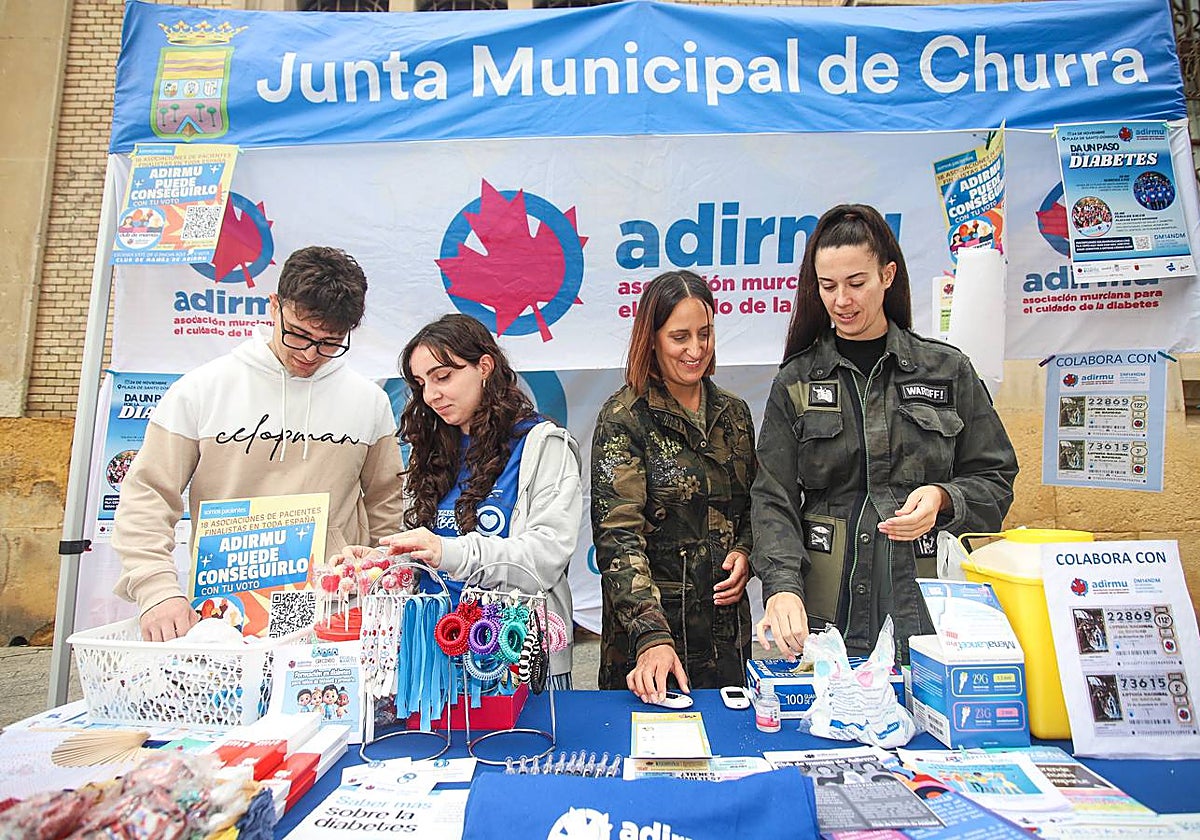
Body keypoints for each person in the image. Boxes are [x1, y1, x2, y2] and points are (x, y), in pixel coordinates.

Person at [750, 204, 1017, 662]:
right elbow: (772, 497)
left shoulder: (946, 371)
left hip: (926, 614)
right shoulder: (797, 381)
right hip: (825, 619)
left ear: (887, 276)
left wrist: (943, 498)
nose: (842, 301)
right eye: (828, 286)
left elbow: (996, 477)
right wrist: (781, 586)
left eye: (857, 283)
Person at [112, 246, 404, 642]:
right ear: (274, 306)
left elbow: (386, 504)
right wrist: (156, 590)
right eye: (298, 333)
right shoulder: (201, 390)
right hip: (227, 613)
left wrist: (381, 576)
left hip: (334, 612)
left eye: (329, 342)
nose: (309, 353)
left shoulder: (367, 402)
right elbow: (148, 494)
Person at [363, 313, 582, 688]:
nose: (431, 395)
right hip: (433, 658)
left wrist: (452, 553)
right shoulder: (431, 450)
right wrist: (379, 564)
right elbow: (424, 553)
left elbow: (546, 556)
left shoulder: (541, 445)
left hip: (515, 660)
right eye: (421, 383)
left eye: (443, 376)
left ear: (484, 366)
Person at [591, 270, 757, 703]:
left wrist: (745, 552)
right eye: (680, 336)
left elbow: (757, 506)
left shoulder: (735, 414)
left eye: (705, 333)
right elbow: (617, 537)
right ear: (652, 338)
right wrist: (650, 635)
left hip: (725, 638)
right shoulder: (624, 418)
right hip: (650, 641)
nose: (696, 349)